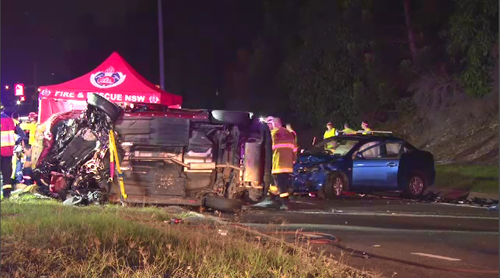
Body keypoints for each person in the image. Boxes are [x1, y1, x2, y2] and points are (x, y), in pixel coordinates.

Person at [1, 102, 25, 198]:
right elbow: (21, 135)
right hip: (7, 152)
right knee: (7, 174)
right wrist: (14, 142)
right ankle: (6, 195)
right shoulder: (10, 121)